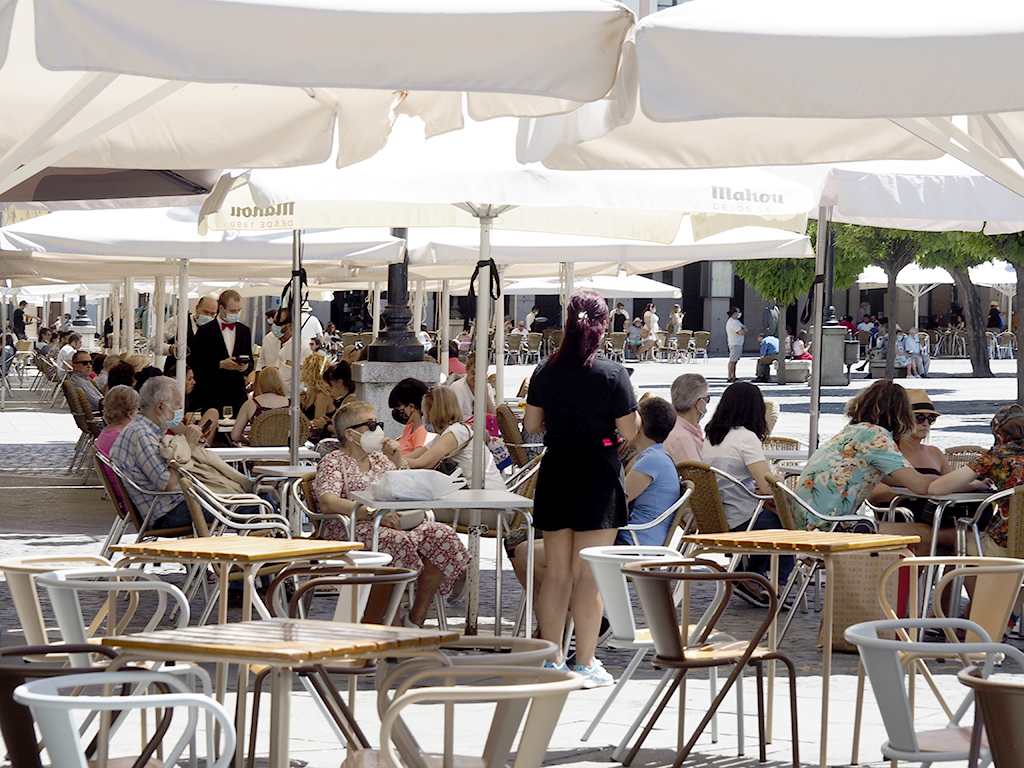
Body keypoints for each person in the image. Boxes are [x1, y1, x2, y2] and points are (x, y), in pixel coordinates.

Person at [523, 290, 640, 686]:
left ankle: (551, 658)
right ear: (603, 326)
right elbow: (630, 431)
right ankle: (585, 662)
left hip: (557, 470)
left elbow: (531, 425)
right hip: (597, 473)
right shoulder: (612, 373)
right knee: (589, 575)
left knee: (557, 574)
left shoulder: (544, 370)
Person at [312, 402, 470, 627]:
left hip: (392, 522)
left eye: (378, 424)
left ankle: (416, 618)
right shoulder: (334, 461)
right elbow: (328, 502)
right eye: (371, 425)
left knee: (442, 535)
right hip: (351, 526)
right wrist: (369, 513)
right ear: (350, 433)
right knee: (397, 541)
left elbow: (406, 488)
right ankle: (390, 622)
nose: (378, 430)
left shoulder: (379, 460)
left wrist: (398, 461)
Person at [796, 380, 935, 552]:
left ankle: (895, 579)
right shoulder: (876, 437)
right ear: (902, 414)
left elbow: (895, 480)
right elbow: (920, 485)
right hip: (828, 529)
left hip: (807, 523)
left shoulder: (852, 432)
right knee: (925, 533)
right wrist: (966, 478)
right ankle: (901, 580)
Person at [702, 382, 789, 604]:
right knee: (787, 528)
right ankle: (777, 586)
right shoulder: (745, 437)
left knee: (768, 518)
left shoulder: (710, 437)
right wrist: (779, 479)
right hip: (741, 517)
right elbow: (768, 487)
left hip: (715, 517)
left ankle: (750, 575)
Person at [109, 376, 202, 529]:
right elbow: (168, 483)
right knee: (248, 507)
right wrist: (189, 446)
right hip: (166, 512)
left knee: (242, 502)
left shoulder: (147, 430)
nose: (180, 409)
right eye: (177, 403)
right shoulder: (141, 434)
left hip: (170, 506)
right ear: (160, 407)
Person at [404, 385, 506, 489]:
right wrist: (391, 457)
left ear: (432, 413)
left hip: (486, 494)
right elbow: (416, 455)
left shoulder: (456, 432)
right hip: (475, 491)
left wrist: (395, 461)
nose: (423, 418)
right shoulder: (449, 433)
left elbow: (421, 463)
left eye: (424, 413)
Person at [616, 397, 681, 546]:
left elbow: (616, 500)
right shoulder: (655, 456)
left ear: (639, 425)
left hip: (635, 542)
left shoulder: (652, 460)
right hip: (637, 538)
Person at [190, 289, 254, 416]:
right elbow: (195, 364)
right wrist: (220, 365)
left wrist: (246, 367)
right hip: (213, 394)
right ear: (221, 308)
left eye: (238, 310)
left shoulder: (244, 331)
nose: (236, 314)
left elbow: (250, 361)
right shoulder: (205, 331)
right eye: (232, 311)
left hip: (237, 395)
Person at [95, 385, 140, 509]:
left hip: (127, 498)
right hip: (137, 502)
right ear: (131, 414)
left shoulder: (107, 433)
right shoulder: (123, 438)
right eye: (138, 410)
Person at [255, 306, 312, 398]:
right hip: (266, 397)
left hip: (289, 399)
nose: (274, 327)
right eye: (274, 323)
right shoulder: (268, 339)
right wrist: (256, 388)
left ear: (290, 325)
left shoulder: (302, 349)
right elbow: (261, 363)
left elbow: (305, 380)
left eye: (278, 324)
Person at [231, 367, 290, 444]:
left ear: (260, 383)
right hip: (286, 452)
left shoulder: (251, 404)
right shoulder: (291, 404)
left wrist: (251, 441)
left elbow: (235, 436)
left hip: (259, 452)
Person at [161, 295, 218, 372]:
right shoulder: (178, 322)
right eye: (205, 312)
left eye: (212, 314)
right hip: (176, 373)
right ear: (197, 308)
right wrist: (170, 349)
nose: (208, 316)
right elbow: (155, 343)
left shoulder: (215, 329)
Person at [303, 359, 356, 441]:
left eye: (330, 384)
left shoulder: (350, 402)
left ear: (339, 382)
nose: (328, 387)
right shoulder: (346, 399)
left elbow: (346, 431)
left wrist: (325, 426)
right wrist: (330, 421)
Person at [663, 373, 708, 465]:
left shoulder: (674, 427)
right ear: (699, 403)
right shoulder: (681, 438)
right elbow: (696, 476)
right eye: (707, 399)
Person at [388, 378, 435, 455]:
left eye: (398, 409)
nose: (395, 413)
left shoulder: (424, 431)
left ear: (411, 407)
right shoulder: (410, 426)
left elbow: (417, 459)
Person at [449, 351, 496, 422]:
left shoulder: (488, 387)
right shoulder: (457, 387)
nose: (476, 377)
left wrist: (486, 396)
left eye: (480, 373)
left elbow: (494, 416)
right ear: (467, 371)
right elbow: (455, 418)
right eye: (473, 373)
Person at [725, 307, 746, 382]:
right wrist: (742, 330)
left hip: (739, 343)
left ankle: (734, 375)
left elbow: (745, 328)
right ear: (734, 313)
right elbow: (741, 332)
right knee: (732, 360)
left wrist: (742, 330)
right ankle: (730, 376)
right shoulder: (732, 322)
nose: (739, 314)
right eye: (738, 312)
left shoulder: (737, 321)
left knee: (735, 361)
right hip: (735, 343)